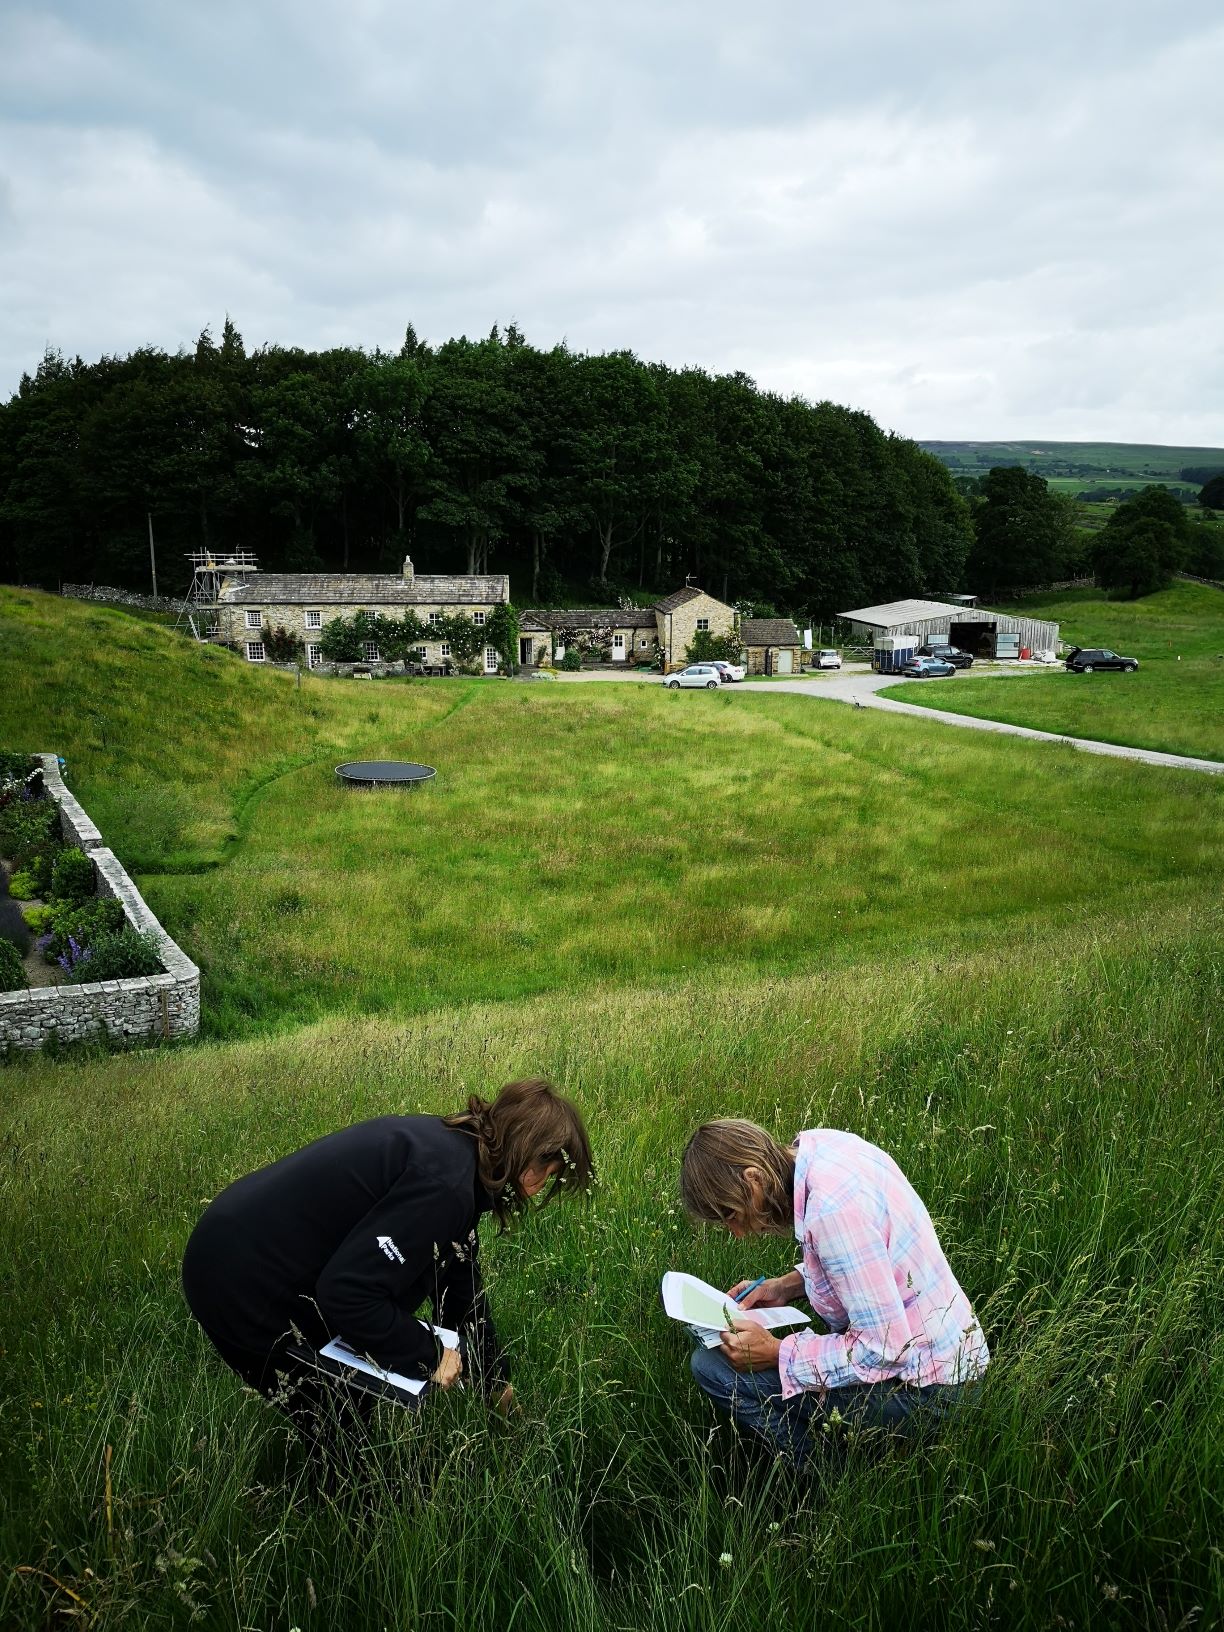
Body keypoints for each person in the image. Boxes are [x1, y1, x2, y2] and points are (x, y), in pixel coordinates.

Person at [182, 1078, 592, 1444]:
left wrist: (495, 1383)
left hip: (247, 1241)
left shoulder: (457, 1161)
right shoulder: (445, 1186)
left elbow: (459, 1285)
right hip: (237, 1272)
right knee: (340, 1426)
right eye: (546, 1172)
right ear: (526, 1153)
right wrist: (428, 1356)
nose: (537, 1190)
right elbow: (348, 1296)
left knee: (353, 1395)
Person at [679, 1120, 989, 1470]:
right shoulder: (824, 1149)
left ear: (753, 1179)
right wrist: (784, 1286)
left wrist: (776, 1353)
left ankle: (826, 1476)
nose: (735, 1232)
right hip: (953, 1357)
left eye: (730, 1214)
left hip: (932, 1392)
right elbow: (869, 1257)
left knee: (710, 1368)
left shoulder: (831, 1212)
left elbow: (882, 1350)